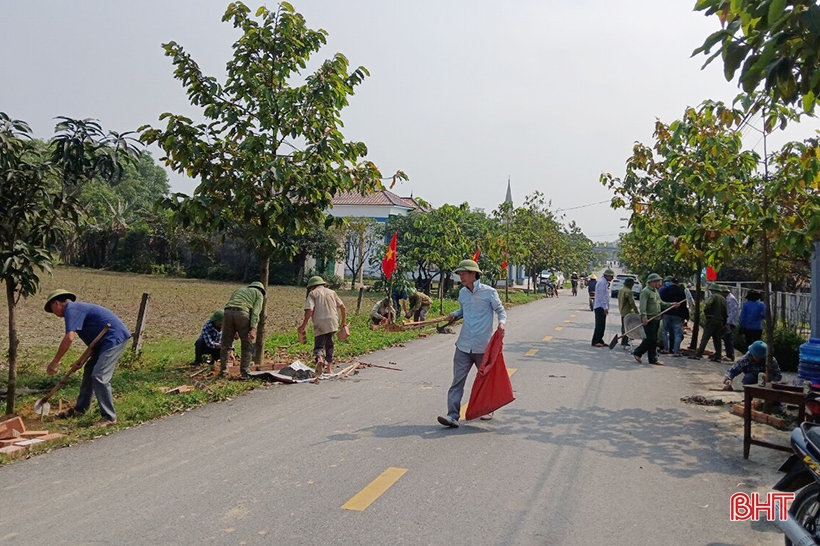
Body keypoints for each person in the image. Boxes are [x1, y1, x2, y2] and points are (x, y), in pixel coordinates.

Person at [44, 289, 131, 427]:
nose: (54, 314)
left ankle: (109, 417)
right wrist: (81, 361)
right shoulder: (76, 311)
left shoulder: (71, 310)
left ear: (56, 303)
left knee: (99, 376)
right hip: (101, 342)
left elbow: (69, 337)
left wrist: (54, 362)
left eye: (51, 309)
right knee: (89, 372)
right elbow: (93, 343)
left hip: (113, 339)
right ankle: (80, 409)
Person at [437, 259, 506, 428]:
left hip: (483, 346)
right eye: (459, 273)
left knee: (484, 380)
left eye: (463, 273)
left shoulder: (489, 292)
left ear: (473, 274)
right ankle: (452, 415)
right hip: (463, 344)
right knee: (457, 381)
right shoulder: (462, 293)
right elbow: (464, 310)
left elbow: (500, 310)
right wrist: (454, 314)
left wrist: (502, 323)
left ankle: (487, 408)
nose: (461, 276)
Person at [298, 276, 347, 377]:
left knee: (319, 346)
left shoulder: (312, 294)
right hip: (333, 322)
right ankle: (329, 369)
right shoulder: (332, 292)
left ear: (312, 287)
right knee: (330, 345)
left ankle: (320, 359)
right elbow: (343, 307)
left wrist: (303, 325)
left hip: (320, 323)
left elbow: (310, 310)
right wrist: (343, 322)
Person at [219, 281, 266, 379]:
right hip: (242, 314)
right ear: (261, 290)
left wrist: (234, 329)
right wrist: (253, 329)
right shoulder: (259, 294)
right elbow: (255, 312)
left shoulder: (239, 290)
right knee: (247, 344)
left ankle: (223, 372)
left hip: (227, 313)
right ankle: (245, 372)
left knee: (226, 344)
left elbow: (232, 306)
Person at [632, 273, 679, 365]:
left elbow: (661, 303)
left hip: (656, 318)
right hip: (649, 318)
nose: (659, 283)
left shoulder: (655, 291)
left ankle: (653, 359)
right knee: (651, 339)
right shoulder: (645, 292)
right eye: (658, 281)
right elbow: (642, 307)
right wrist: (644, 317)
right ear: (652, 282)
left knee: (654, 340)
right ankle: (638, 352)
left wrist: (672, 304)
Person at [690, 283, 728, 361]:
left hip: (712, 320)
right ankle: (718, 356)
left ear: (713, 290)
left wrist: (707, 314)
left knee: (705, 337)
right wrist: (724, 322)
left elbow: (707, 304)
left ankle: (698, 354)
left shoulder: (713, 297)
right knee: (717, 339)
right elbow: (725, 312)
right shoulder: (723, 299)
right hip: (720, 321)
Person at [660, 278, 689, 357]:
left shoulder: (665, 290)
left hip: (666, 314)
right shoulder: (681, 291)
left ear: (671, 282)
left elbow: (662, 302)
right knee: (678, 334)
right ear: (677, 283)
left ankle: (666, 349)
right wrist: (685, 317)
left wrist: (660, 313)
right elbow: (684, 306)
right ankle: (676, 351)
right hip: (678, 315)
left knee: (665, 331)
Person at [591, 269, 614, 347]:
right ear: (607, 276)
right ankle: (595, 341)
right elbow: (602, 297)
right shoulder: (601, 283)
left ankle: (600, 340)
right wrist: (605, 308)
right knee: (599, 325)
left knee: (602, 325)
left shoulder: (605, 283)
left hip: (602, 306)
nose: (612, 278)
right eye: (611, 276)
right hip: (600, 306)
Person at [617, 277, 639, 349]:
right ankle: (625, 340)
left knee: (623, 326)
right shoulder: (628, 291)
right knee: (628, 327)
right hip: (627, 312)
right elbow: (631, 302)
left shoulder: (621, 290)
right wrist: (636, 311)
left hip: (622, 310)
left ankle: (624, 340)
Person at [721, 286, 740, 361]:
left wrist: (728, 322)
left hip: (730, 322)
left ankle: (730, 355)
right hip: (728, 321)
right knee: (726, 338)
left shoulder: (731, 299)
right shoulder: (728, 298)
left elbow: (733, 312)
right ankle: (728, 354)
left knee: (728, 337)